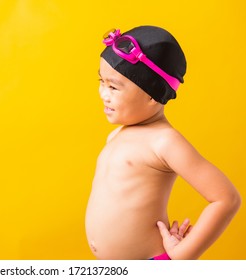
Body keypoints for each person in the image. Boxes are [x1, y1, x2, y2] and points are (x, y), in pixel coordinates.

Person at [85, 26, 241, 260]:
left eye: (113, 87)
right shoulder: (117, 134)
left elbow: (226, 199)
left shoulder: (164, 141)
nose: (103, 94)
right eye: (102, 81)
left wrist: (182, 256)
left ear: (152, 94)